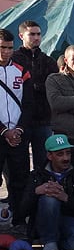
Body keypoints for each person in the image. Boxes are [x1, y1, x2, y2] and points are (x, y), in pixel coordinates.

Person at [20, 135, 74, 250]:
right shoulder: (37, 175)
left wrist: (65, 198)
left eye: (68, 153)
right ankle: (49, 241)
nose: (66, 158)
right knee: (49, 199)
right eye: (60, 154)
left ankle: (58, 243)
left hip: (69, 220)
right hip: (43, 221)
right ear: (50, 156)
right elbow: (21, 212)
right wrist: (36, 191)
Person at [0, 28, 33, 234]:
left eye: (10, 48)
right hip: (1, 135)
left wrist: (18, 130)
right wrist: (4, 131)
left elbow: (29, 104)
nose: (6, 52)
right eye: (2, 47)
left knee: (19, 180)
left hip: (18, 136)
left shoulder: (21, 70)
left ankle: (19, 221)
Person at [12, 20, 57, 169]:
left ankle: (41, 192)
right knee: (18, 165)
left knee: (43, 164)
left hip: (43, 120)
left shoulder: (48, 61)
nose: (36, 37)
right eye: (32, 34)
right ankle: (18, 193)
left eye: (38, 34)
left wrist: (33, 86)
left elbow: (53, 87)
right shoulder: (13, 60)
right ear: (21, 36)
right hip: (19, 120)